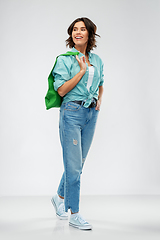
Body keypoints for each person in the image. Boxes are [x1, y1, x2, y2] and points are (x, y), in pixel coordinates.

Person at [51, 17, 104, 230]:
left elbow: (101, 82)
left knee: (79, 163)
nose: (78, 32)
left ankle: (59, 197)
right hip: (71, 113)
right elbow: (61, 90)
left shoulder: (97, 60)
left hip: (91, 113)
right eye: (75, 29)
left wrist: (100, 99)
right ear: (71, 34)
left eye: (82, 29)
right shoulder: (64, 60)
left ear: (90, 34)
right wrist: (81, 71)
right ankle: (75, 213)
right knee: (73, 167)